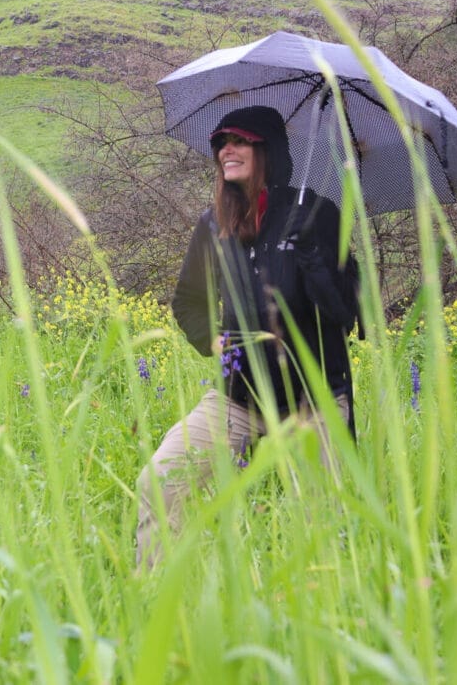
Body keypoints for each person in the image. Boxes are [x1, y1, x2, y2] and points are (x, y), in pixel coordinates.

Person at [136, 105, 361, 569]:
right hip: (237, 399)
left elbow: (346, 312)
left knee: (324, 520)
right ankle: (153, 598)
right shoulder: (213, 224)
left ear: (268, 151)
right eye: (221, 142)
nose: (226, 149)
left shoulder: (316, 212)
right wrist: (216, 343)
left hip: (314, 397)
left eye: (239, 140)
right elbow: (188, 302)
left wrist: (315, 257)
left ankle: (325, 620)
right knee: (160, 480)